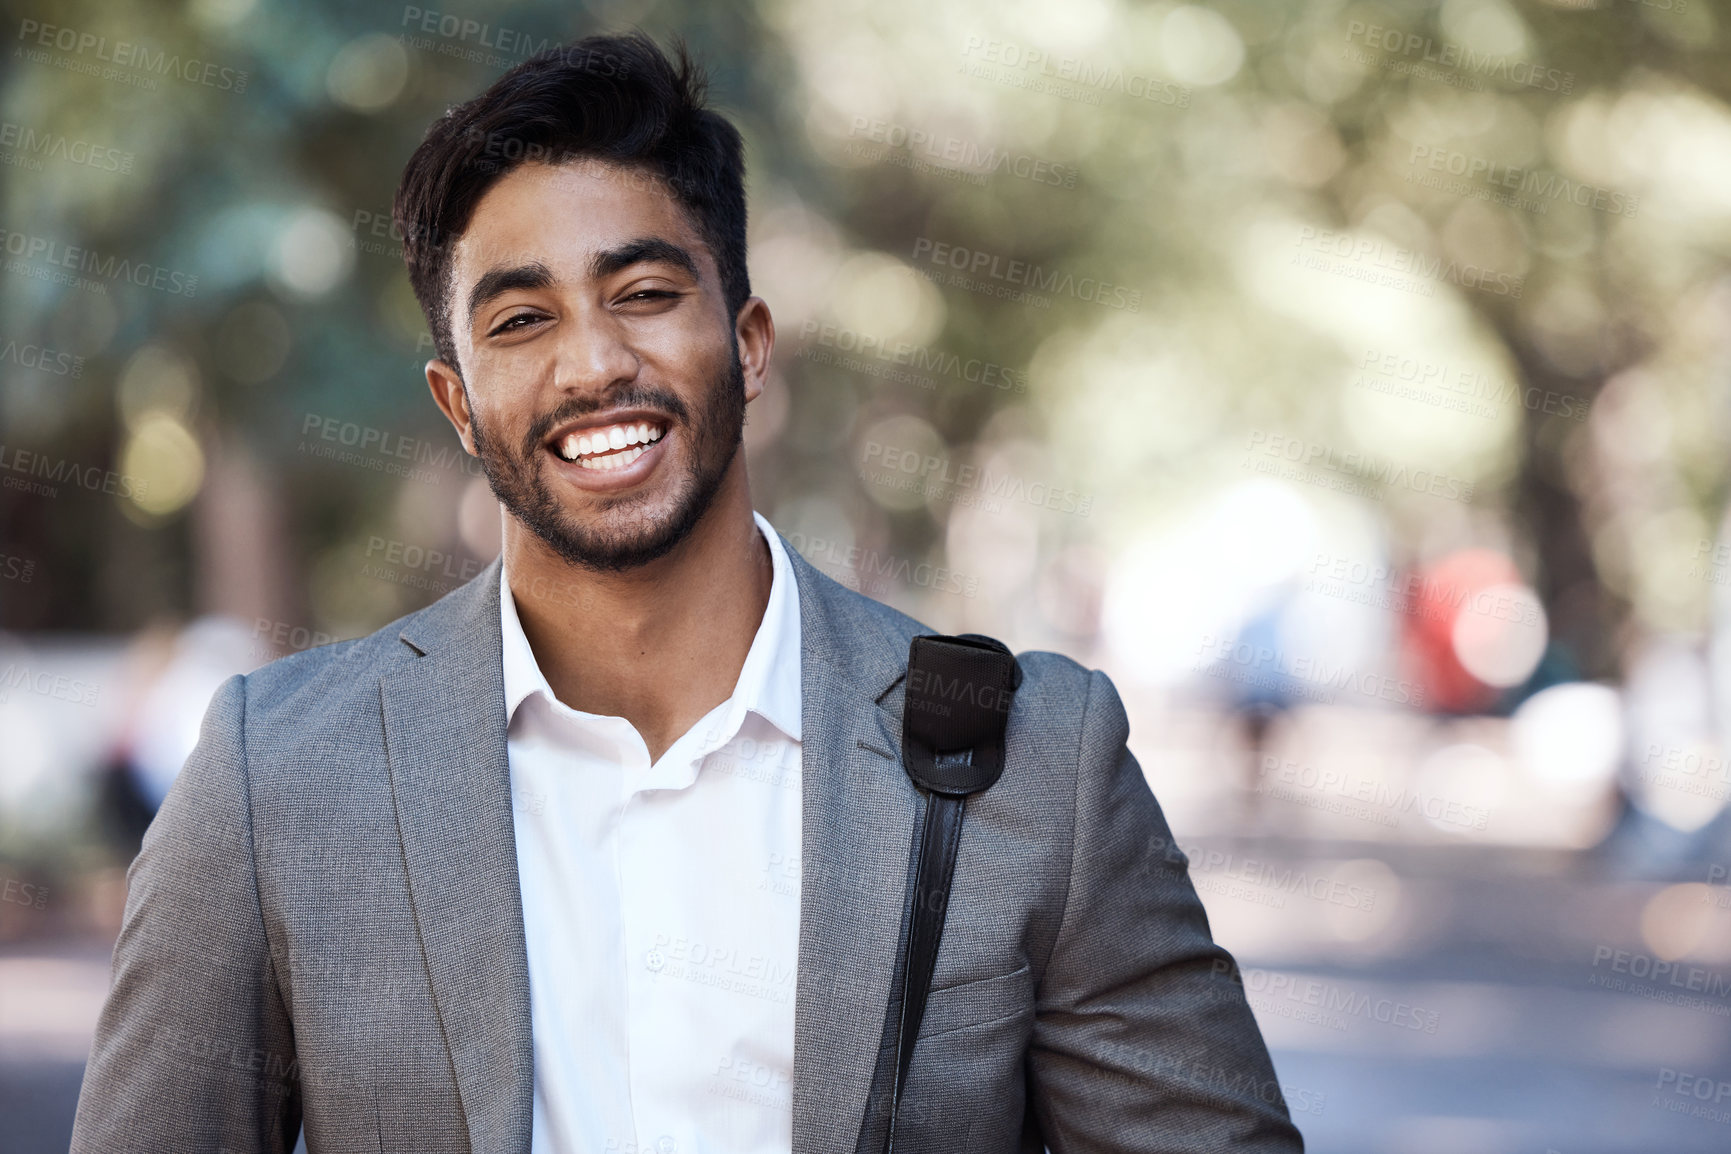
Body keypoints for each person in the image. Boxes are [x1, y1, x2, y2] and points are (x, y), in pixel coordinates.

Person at [71, 32, 1303, 1154]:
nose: (595, 360)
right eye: (519, 319)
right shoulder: (275, 776)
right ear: (458, 406)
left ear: (751, 341)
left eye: (646, 293)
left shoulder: (1039, 760)